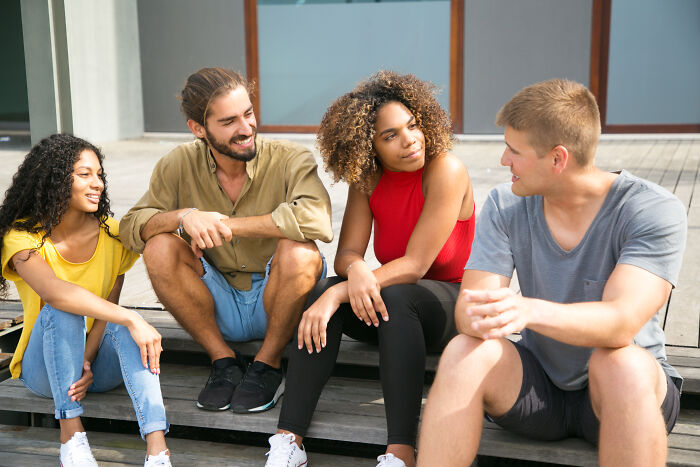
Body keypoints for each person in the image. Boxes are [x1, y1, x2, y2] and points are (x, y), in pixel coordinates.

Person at [417, 79, 686, 466]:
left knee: (619, 364)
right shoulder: (505, 205)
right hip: (539, 389)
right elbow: (469, 314)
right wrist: (483, 315)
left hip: (624, 395)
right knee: (464, 351)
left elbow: (620, 323)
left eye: (514, 150)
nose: (502, 160)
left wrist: (526, 310)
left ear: (558, 159)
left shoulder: (651, 209)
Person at [265, 71, 475, 467]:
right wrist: (354, 272)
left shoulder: (447, 169)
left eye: (412, 125)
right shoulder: (368, 178)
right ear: (369, 146)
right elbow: (347, 252)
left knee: (375, 294)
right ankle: (289, 439)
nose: (409, 139)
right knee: (323, 287)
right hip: (396, 312)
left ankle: (401, 451)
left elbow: (415, 266)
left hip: (452, 305)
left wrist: (341, 290)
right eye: (390, 135)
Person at [120, 67, 332, 414]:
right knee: (159, 246)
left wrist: (230, 226)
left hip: (279, 300)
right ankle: (223, 361)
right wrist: (183, 216)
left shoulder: (290, 158)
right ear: (198, 129)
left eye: (248, 114)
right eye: (229, 121)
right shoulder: (177, 164)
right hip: (216, 304)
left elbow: (318, 219)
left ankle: (268, 365)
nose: (246, 128)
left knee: (301, 252)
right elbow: (131, 227)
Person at [0, 134, 171, 467]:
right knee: (64, 310)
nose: (98, 184)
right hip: (44, 372)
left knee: (124, 326)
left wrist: (88, 358)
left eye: (99, 175)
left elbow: (108, 309)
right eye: (84, 174)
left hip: (99, 368)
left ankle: (157, 448)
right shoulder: (22, 236)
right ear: (54, 178)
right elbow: (54, 292)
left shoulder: (111, 234)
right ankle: (72, 437)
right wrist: (133, 317)